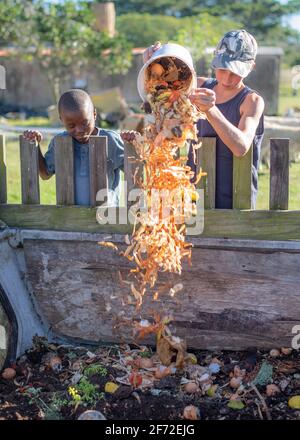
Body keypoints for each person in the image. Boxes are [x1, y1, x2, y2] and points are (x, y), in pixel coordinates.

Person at [135, 31, 265, 209]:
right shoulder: (199, 85)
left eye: (236, 72)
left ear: (251, 67)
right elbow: (162, 96)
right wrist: (154, 61)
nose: (227, 78)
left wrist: (211, 110)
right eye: (223, 69)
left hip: (234, 199)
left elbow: (241, 147)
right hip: (194, 194)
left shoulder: (251, 101)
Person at [23, 89, 124, 206]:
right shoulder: (59, 143)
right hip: (70, 219)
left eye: (85, 123)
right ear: (62, 120)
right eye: (71, 126)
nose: (80, 130)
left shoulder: (111, 140)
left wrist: (133, 143)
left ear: (94, 115)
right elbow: (45, 174)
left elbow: (134, 169)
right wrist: (36, 144)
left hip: (104, 218)